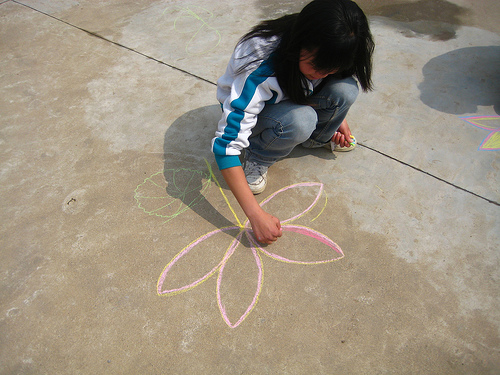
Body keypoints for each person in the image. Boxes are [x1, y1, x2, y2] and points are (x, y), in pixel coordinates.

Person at [211, 0, 374, 244]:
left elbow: (328, 78)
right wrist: (255, 215)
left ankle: (315, 138)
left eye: (330, 69)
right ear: (300, 43)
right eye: (317, 66)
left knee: (346, 90)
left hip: (292, 95)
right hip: (254, 111)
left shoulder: (328, 46)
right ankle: (258, 156)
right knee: (301, 120)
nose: (322, 74)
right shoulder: (260, 62)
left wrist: (339, 119)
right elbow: (224, 147)